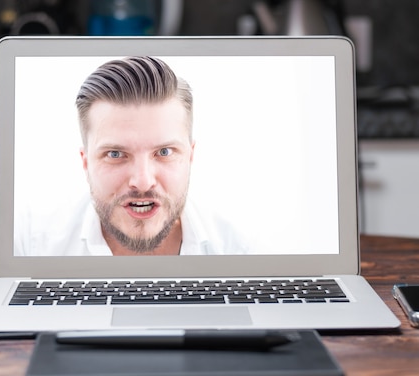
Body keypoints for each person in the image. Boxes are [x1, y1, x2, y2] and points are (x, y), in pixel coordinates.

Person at [14, 56, 249, 256]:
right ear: (86, 163)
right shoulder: (32, 243)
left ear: (190, 156)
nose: (143, 181)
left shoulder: (237, 248)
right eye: (115, 154)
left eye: (164, 152)